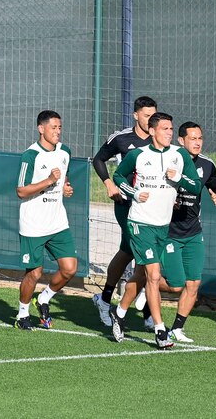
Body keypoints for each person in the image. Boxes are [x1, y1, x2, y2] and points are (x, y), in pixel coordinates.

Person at [108, 112, 201, 349]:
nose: (169, 132)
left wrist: (179, 178)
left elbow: (196, 186)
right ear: (152, 131)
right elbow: (118, 176)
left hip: (163, 226)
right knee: (154, 275)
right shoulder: (138, 155)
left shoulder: (180, 155)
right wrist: (134, 193)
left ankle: (119, 313)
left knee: (141, 275)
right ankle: (160, 331)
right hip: (140, 223)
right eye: (164, 129)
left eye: (171, 129)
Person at [90, 96, 157, 326]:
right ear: (135, 115)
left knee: (129, 252)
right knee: (142, 252)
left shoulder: (159, 139)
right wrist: (109, 183)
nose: (150, 120)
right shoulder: (121, 138)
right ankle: (145, 311)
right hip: (126, 204)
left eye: (153, 115)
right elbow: (98, 159)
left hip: (151, 207)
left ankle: (105, 299)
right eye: (147, 116)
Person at [159, 122, 216, 343]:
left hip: (194, 232)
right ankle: (147, 284)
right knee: (176, 284)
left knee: (193, 283)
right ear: (181, 140)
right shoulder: (169, 159)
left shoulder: (207, 164)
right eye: (193, 138)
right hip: (169, 231)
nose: (197, 143)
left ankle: (177, 328)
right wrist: (169, 200)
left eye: (200, 138)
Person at [13, 110, 77, 330]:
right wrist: (49, 180)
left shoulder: (65, 151)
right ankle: (22, 314)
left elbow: (64, 176)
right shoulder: (30, 156)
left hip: (58, 222)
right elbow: (21, 191)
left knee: (69, 269)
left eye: (60, 127)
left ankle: (44, 298)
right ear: (41, 129)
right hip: (33, 225)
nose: (58, 132)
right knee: (34, 273)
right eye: (53, 128)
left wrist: (65, 186)